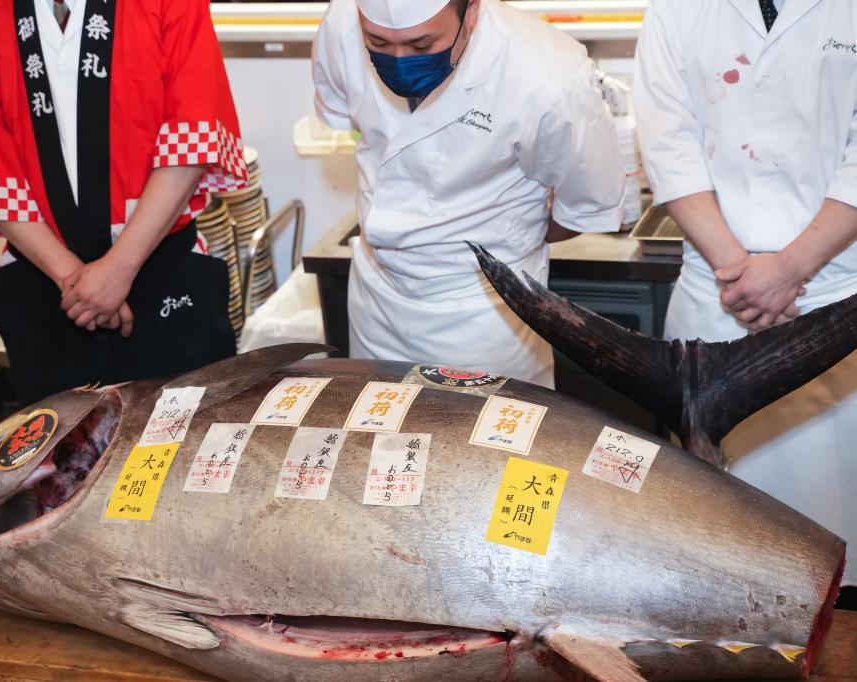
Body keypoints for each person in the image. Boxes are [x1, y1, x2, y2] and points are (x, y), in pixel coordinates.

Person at [634, 0, 857, 598]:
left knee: (834, 537)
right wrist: (740, 269)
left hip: (832, 295)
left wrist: (790, 268)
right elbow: (666, 141)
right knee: (714, 540)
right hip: (716, 289)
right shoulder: (675, 9)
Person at [0, 0, 250, 405]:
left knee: (182, 449)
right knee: (62, 458)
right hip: (46, 284)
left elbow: (193, 135)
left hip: (162, 271)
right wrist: (75, 281)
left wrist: (119, 268)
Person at [312, 0, 624, 387]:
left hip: (487, 312)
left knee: (490, 441)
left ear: (472, 10)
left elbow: (587, 203)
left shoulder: (548, 70)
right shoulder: (341, 23)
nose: (400, 59)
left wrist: (512, 234)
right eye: (378, 43)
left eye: (422, 46)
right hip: (378, 300)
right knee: (382, 437)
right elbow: (349, 118)